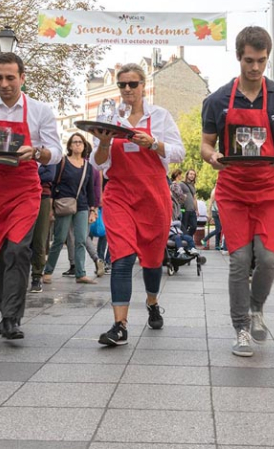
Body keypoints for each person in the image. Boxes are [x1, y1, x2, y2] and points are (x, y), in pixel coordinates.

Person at [202, 26, 274, 357]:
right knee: (240, 260)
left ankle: (257, 309)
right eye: (249, 61)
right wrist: (212, 157)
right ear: (238, 57)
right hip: (233, 189)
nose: (255, 68)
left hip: (268, 188)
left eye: (261, 61)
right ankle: (241, 328)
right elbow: (205, 144)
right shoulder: (217, 100)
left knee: (269, 259)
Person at [0, 52, 62, 340]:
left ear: (22, 77)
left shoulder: (39, 111)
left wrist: (37, 152)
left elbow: (55, 153)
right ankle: (6, 309)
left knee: (18, 250)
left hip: (25, 190)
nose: (4, 84)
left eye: (10, 78)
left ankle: (11, 318)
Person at [92, 63, 184, 346]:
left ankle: (153, 302)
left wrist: (154, 144)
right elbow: (98, 163)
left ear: (143, 86)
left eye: (133, 84)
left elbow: (179, 153)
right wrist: (105, 143)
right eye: (123, 85)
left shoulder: (160, 116)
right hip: (119, 194)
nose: (128, 89)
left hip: (153, 197)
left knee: (153, 260)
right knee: (122, 256)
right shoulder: (109, 118)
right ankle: (119, 325)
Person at [46, 133, 98, 285]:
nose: (77, 145)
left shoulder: (88, 166)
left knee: (81, 239)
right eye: (74, 142)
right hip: (64, 204)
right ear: (69, 146)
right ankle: (48, 271)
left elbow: (90, 190)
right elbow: (53, 185)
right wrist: (51, 208)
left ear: (84, 146)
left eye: (80, 142)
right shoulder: (62, 162)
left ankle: (80, 273)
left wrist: (92, 209)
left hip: (82, 206)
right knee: (59, 239)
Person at [29, 162, 57, 291]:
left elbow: (50, 176)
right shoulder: (24, 152)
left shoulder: (49, 155)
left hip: (43, 197)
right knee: (22, 238)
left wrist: (30, 176)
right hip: (24, 196)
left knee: (40, 238)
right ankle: (19, 274)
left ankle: (36, 275)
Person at [203, 186, 224, 250]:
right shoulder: (215, 191)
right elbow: (210, 202)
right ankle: (204, 239)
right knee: (218, 229)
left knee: (219, 229)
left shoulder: (221, 190)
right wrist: (209, 214)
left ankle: (217, 245)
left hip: (220, 212)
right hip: (215, 212)